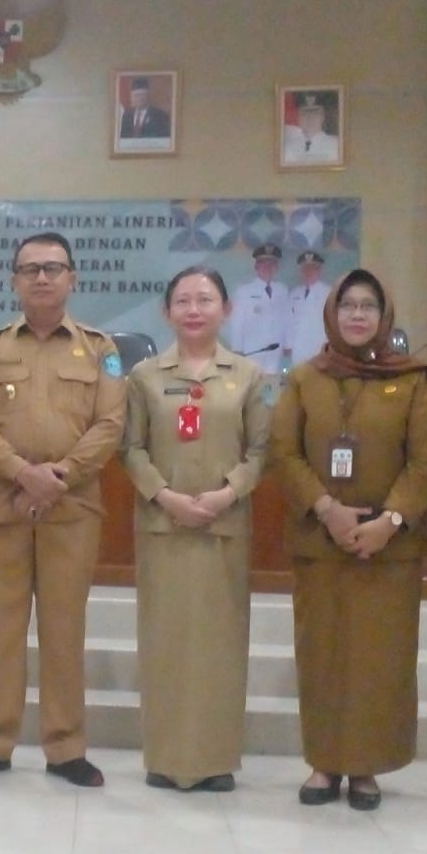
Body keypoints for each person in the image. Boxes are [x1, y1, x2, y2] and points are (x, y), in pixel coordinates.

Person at [0, 232, 126, 788]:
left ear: (72, 278)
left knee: (63, 631)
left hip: (71, 508)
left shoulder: (100, 349)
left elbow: (110, 424)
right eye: (30, 269)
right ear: (14, 281)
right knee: (1, 631)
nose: (42, 277)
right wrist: (22, 473)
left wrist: (59, 477)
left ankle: (66, 748)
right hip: (3, 507)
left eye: (53, 268)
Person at [269, 269, 427, 810]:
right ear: (332, 313)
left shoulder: (413, 380)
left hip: (389, 548)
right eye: (348, 305)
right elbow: (284, 452)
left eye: (369, 306)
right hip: (321, 542)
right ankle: (324, 763)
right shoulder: (306, 379)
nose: (358, 315)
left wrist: (388, 522)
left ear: (384, 316)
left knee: (379, 661)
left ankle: (367, 767)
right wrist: (327, 510)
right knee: (322, 656)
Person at [123, 267, 270, 792]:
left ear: (226, 309)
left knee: (219, 648)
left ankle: (214, 761)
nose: (193, 309)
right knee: (164, 645)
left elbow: (261, 451)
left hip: (223, 528)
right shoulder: (145, 376)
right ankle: (165, 759)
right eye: (182, 300)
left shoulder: (248, 376)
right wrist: (165, 496)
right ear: (166, 312)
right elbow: (131, 449)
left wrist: (226, 494)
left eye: (204, 299)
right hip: (163, 528)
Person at [224, 243, 291, 374]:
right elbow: (237, 323)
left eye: (271, 263)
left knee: (274, 383)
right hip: (252, 350)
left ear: (276, 267)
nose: (267, 267)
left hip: (275, 351)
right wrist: (237, 349)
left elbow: (287, 319)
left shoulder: (282, 290)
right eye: (263, 263)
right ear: (256, 267)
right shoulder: (244, 291)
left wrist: (288, 344)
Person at [285, 250, 331, 368]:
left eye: (312, 269)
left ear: (319, 271)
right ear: (300, 271)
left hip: (320, 350)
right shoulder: (294, 294)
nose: (308, 272)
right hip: (298, 350)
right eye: (305, 269)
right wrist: (288, 344)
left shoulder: (329, 294)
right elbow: (289, 322)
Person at [281, 93, 341, 165]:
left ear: (322, 117)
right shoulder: (289, 147)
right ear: (298, 117)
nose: (310, 118)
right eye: (304, 114)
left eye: (315, 114)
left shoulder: (336, 144)